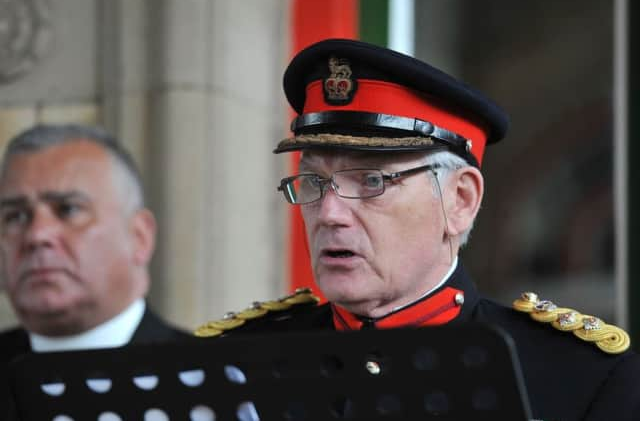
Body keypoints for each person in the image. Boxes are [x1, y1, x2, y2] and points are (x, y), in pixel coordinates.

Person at [195, 39, 640, 420]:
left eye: (372, 181)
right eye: (314, 181)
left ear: (460, 201)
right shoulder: (234, 364)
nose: (329, 212)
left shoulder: (577, 376)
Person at [0, 124, 193, 418]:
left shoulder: (215, 376)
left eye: (68, 209)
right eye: (16, 215)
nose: (37, 235)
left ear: (139, 236)